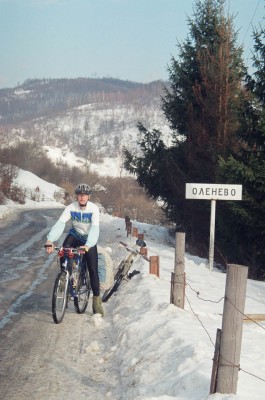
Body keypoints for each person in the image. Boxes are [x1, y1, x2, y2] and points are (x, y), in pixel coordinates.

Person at [45, 183, 104, 317]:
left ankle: (96, 302)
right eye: (79, 195)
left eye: (84, 195)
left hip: (89, 239)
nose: (82, 197)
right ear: (77, 196)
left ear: (88, 197)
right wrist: (50, 240)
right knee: (64, 252)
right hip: (75, 235)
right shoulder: (71, 207)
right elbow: (60, 224)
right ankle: (65, 283)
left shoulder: (94, 209)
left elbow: (95, 229)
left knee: (93, 269)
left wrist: (88, 245)